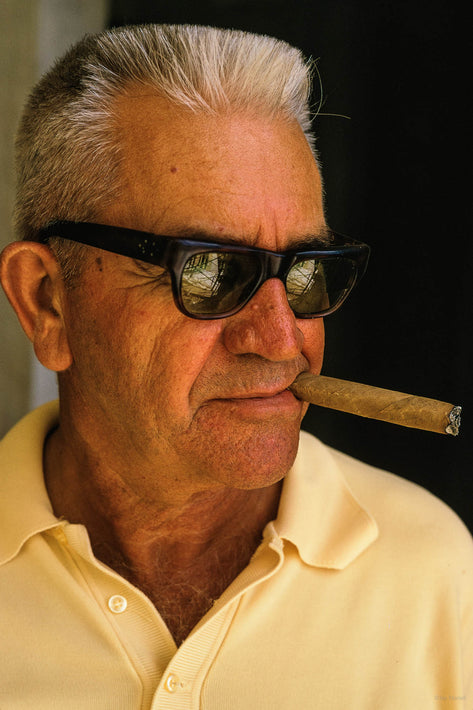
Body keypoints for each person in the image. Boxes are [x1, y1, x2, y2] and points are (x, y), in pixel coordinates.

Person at [0, 23, 471, 710]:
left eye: (306, 272)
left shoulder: (437, 575)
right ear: (48, 302)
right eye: (211, 271)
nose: (281, 339)